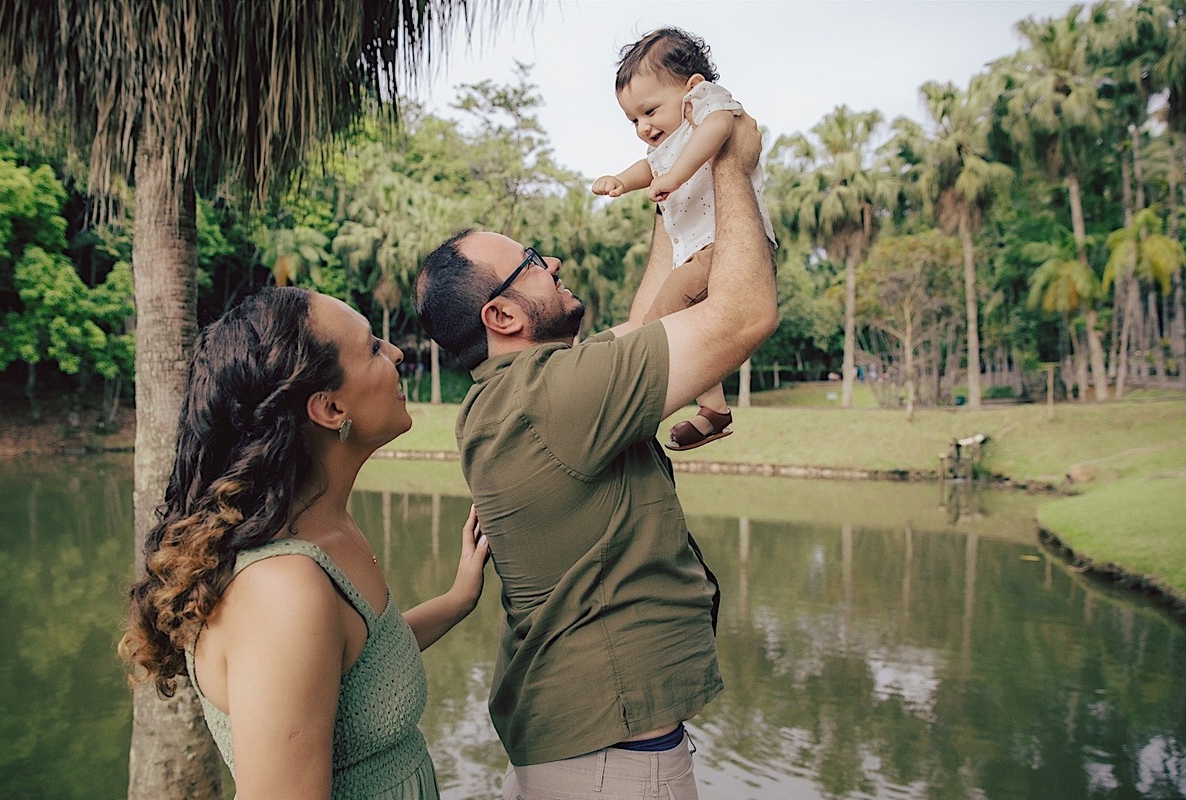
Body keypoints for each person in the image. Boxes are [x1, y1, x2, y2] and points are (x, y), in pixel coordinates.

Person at [412, 108, 777, 799]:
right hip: (612, 764)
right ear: (504, 315)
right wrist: (731, 163)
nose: (551, 262)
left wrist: (679, 186)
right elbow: (743, 315)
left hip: (588, 752)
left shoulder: (520, 395)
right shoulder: (552, 398)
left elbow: (650, 323)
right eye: (530, 261)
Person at [118, 286, 490, 799]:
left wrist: (457, 599)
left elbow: (359, 663)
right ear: (330, 408)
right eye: (374, 348)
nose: (398, 352)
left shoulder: (324, 532)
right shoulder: (281, 590)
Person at [592, 27, 776, 450]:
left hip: (726, 246)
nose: (643, 126)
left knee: (658, 327)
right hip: (697, 252)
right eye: (634, 119)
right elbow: (650, 167)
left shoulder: (706, 105)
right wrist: (622, 180)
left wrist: (676, 177)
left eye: (650, 111)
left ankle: (680, 407)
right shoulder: (670, 144)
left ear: (692, 87)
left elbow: (719, 130)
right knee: (668, 326)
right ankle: (713, 409)